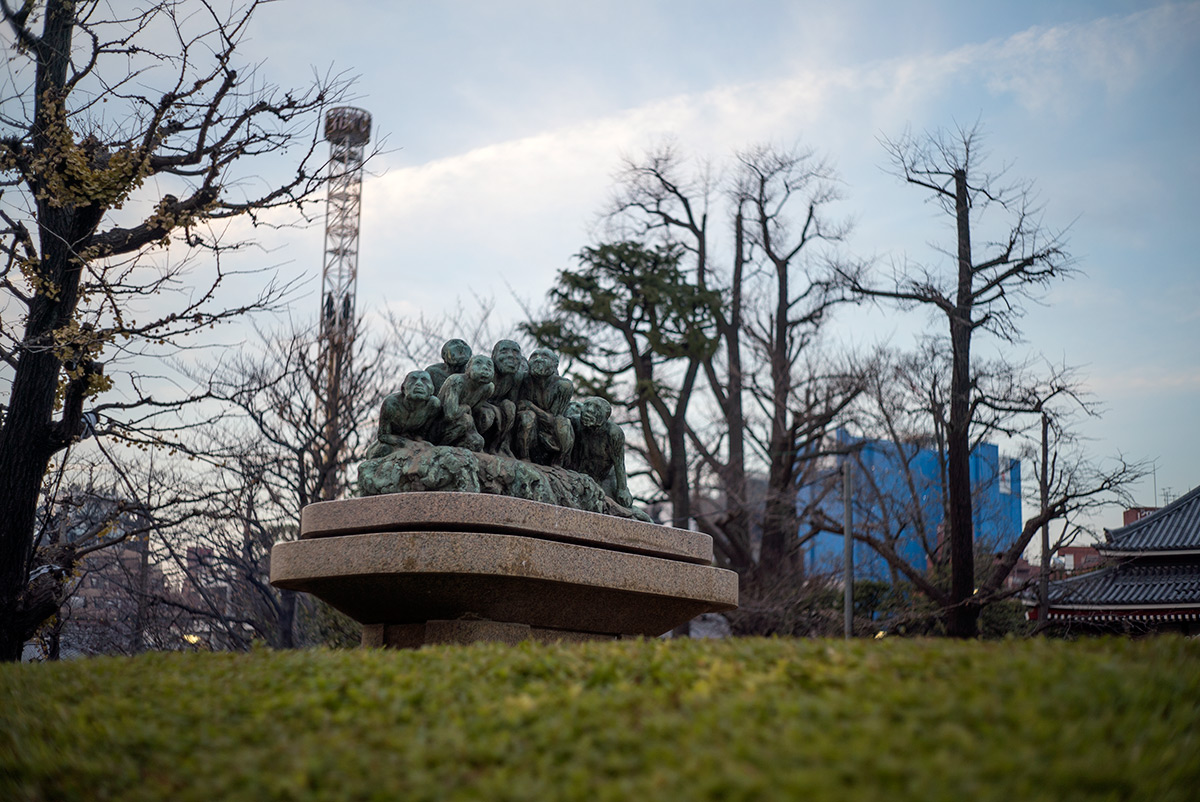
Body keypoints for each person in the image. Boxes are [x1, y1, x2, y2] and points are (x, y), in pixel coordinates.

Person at [567, 396, 633, 508]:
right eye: (587, 405)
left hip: (605, 477)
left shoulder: (613, 433)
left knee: (618, 507)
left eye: (596, 408)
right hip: (579, 474)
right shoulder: (574, 422)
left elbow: (619, 463)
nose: (590, 410)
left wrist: (622, 489)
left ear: (605, 416)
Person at [516, 348, 575, 466]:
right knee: (528, 416)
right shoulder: (523, 380)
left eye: (544, 357)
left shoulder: (563, 386)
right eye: (534, 356)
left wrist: (530, 406)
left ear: (555, 364)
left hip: (551, 430)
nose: (538, 359)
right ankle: (524, 456)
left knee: (563, 423)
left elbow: (552, 420)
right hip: (528, 428)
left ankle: (560, 460)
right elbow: (519, 407)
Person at [364, 370, 440, 459]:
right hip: (391, 443)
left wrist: (419, 442)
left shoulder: (434, 405)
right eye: (413, 380)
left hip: (414, 443)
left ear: (432, 390)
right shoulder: (391, 404)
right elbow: (382, 435)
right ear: (403, 388)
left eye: (424, 380)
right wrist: (406, 443)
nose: (418, 383)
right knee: (383, 450)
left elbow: (423, 433)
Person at [436, 355, 495, 451]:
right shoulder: (456, 381)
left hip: (464, 423)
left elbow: (475, 410)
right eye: (478, 363)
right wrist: (466, 408)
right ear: (467, 369)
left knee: (478, 442)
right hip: (440, 424)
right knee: (465, 420)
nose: (485, 368)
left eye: (489, 365)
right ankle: (439, 448)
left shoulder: (488, 388)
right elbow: (450, 414)